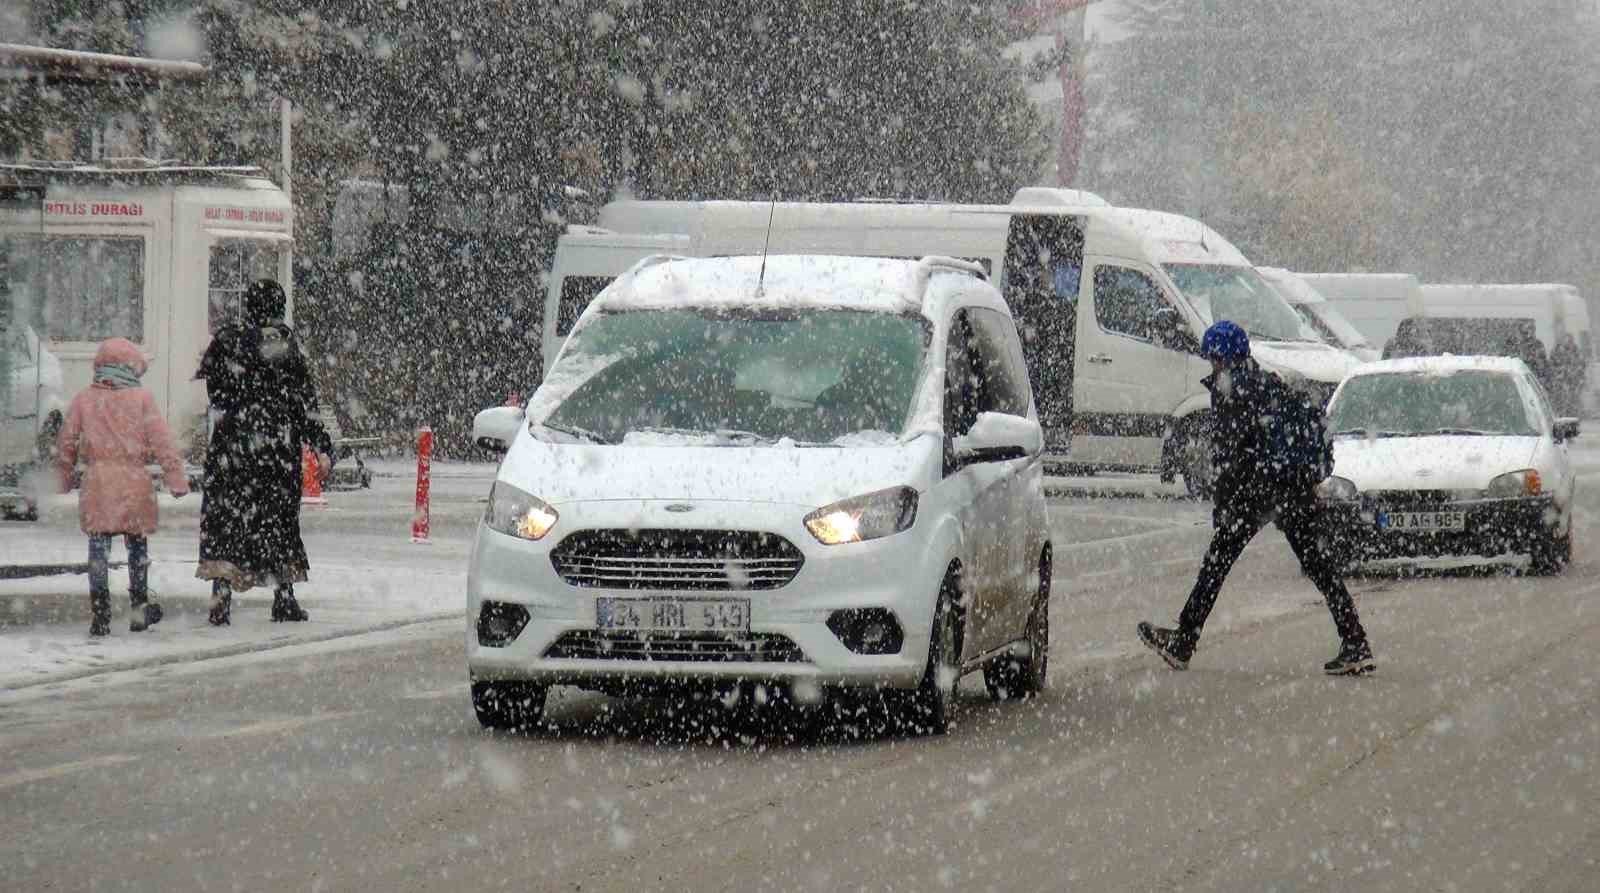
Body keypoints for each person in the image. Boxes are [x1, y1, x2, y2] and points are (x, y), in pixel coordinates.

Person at [1137, 321, 1376, 676]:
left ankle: (1183, 641)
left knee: (1216, 565)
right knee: (1319, 565)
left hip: (1258, 492)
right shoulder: (1268, 382)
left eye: (1212, 357)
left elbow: (1231, 456)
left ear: (1220, 357)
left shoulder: (1235, 391)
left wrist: (1226, 503)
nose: (1211, 364)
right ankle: (1355, 641)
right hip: (1292, 487)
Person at [195, 279, 332, 626]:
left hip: (231, 449)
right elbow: (303, 403)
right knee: (278, 523)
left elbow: (216, 396)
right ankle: (283, 596)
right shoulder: (283, 344)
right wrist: (320, 445)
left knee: (227, 522)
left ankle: (221, 595)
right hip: (275, 450)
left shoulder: (226, 341)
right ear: (278, 308)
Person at [55, 337, 190, 636]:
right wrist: (175, 477)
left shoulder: (84, 399)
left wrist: (62, 477)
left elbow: (67, 442)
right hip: (134, 482)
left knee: (98, 549)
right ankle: (139, 608)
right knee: (137, 547)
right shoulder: (142, 399)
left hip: (98, 482)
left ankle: (100, 612)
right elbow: (162, 441)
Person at [1550, 333, 1584, 417]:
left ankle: (1573, 414)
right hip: (1561, 381)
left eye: (1571, 341)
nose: (1569, 344)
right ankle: (1563, 414)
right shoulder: (1556, 351)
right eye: (1567, 342)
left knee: (1573, 399)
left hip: (1573, 381)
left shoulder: (1576, 351)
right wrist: (1560, 371)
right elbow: (1551, 366)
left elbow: (1581, 365)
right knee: (1562, 399)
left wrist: (1577, 374)